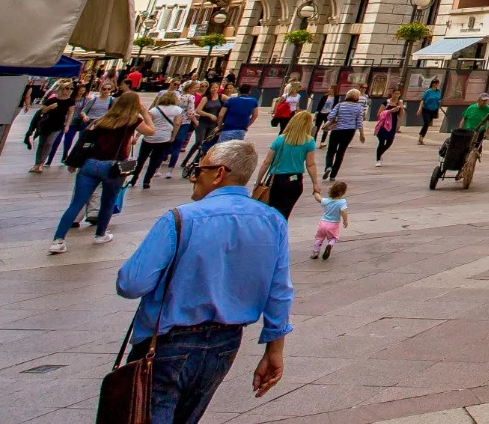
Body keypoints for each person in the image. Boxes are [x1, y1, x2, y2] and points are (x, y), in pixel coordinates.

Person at [114, 139, 292, 422]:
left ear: (219, 173)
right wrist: (275, 349)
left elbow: (131, 284)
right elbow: (279, 290)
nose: (194, 176)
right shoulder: (273, 221)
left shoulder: (182, 218)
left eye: (199, 169)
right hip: (225, 343)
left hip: (167, 343)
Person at [51, 91, 154, 253]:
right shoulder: (134, 120)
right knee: (107, 202)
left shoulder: (102, 119)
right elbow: (151, 131)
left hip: (90, 163)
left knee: (76, 203)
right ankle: (100, 234)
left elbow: (85, 139)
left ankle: (58, 240)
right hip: (113, 165)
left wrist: (74, 160)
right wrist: (145, 113)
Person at [261, 110, 321, 220]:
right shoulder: (309, 141)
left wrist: (258, 182)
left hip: (276, 179)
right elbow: (310, 164)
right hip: (295, 180)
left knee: (272, 209)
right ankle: (281, 232)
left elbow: (266, 162)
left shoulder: (280, 139)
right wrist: (315, 183)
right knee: (285, 212)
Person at [136, 90, 189, 187]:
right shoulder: (178, 110)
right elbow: (177, 124)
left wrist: (137, 136)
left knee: (141, 159)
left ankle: (134, 178)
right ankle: (147, 181)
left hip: (150, 137)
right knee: (155, 160)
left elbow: (146, 123)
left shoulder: (154, 110)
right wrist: (173, 136)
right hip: (164, 138)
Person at [27, 84, 75, 174]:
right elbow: (42, 111)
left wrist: (67, 125)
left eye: (71, 88)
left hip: (58, 125)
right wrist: (50, 107)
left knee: (48, 143)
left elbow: (70, 114)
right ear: (61, 89)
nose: (70, 90)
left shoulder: (70, 101)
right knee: (42, 143)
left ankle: (41, 163)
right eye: (67, 88)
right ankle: (36, 164)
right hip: (46, 124)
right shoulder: (52, 100)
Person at [321, 89, 365, 180]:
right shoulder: (359, 107)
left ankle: (328, 166)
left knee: (331, 150)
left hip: (337, 130)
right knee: (341, 152)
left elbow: (330, 116)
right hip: (349, 131)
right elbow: (359, 121)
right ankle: (333, 175)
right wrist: (361, 134)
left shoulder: (340, 105)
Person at [312, 180, 349, 260]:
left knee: (319, 238)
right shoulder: (342, 202)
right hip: (333, 224)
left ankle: (316, 252)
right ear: (342, 193)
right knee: (333, 238)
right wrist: (345, 220)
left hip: (323, 223)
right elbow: (343, 211)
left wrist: (315, 192)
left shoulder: (326, 200)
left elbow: (318, 199)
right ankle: (329, 245)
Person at [372, 92, 403, 167]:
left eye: (398, 94)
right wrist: (390, 111)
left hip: (392, 124)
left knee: (389, 142)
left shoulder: (399, 103)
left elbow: (400, 115)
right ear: (392, 94)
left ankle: (380, 154)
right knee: (381, 141)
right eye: (395, 93)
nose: (396, 95)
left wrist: (401, 107)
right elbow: (379, 114)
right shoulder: (386, 102)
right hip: (383, 124)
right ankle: (378, 159)